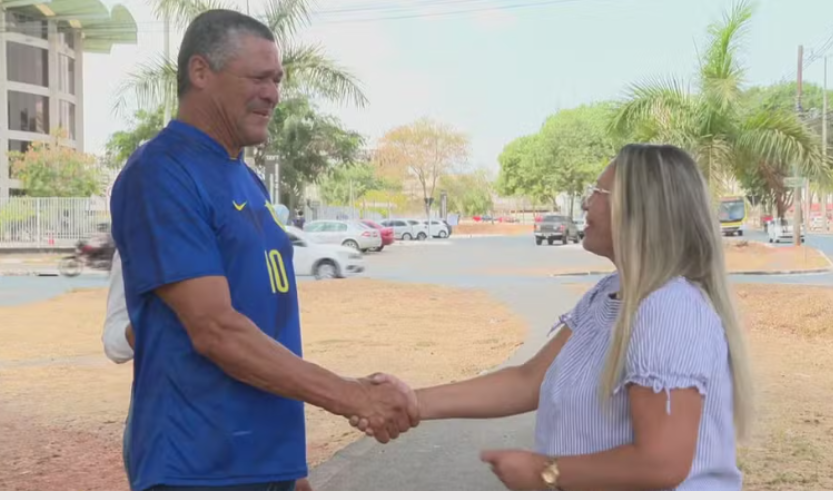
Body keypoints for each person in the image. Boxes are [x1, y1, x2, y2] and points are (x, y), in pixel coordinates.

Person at [109, 10, 416, 491]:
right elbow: (216, 330)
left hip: (263, 461)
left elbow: (268, 324)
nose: (272, 94)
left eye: (276, 79)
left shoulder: (246, 178)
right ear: (201, 72)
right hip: (198, 467)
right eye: (258, 77)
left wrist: (289, 469)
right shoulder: (162, 173)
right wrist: (352, 396)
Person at [353, 144, 755, 491]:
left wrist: (546, 472)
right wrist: (413, 402)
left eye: (598, 191)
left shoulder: (670, 308)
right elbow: (529, 380)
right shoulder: (609, 294)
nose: (585, 203)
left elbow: (662, 461)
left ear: (642, 210)